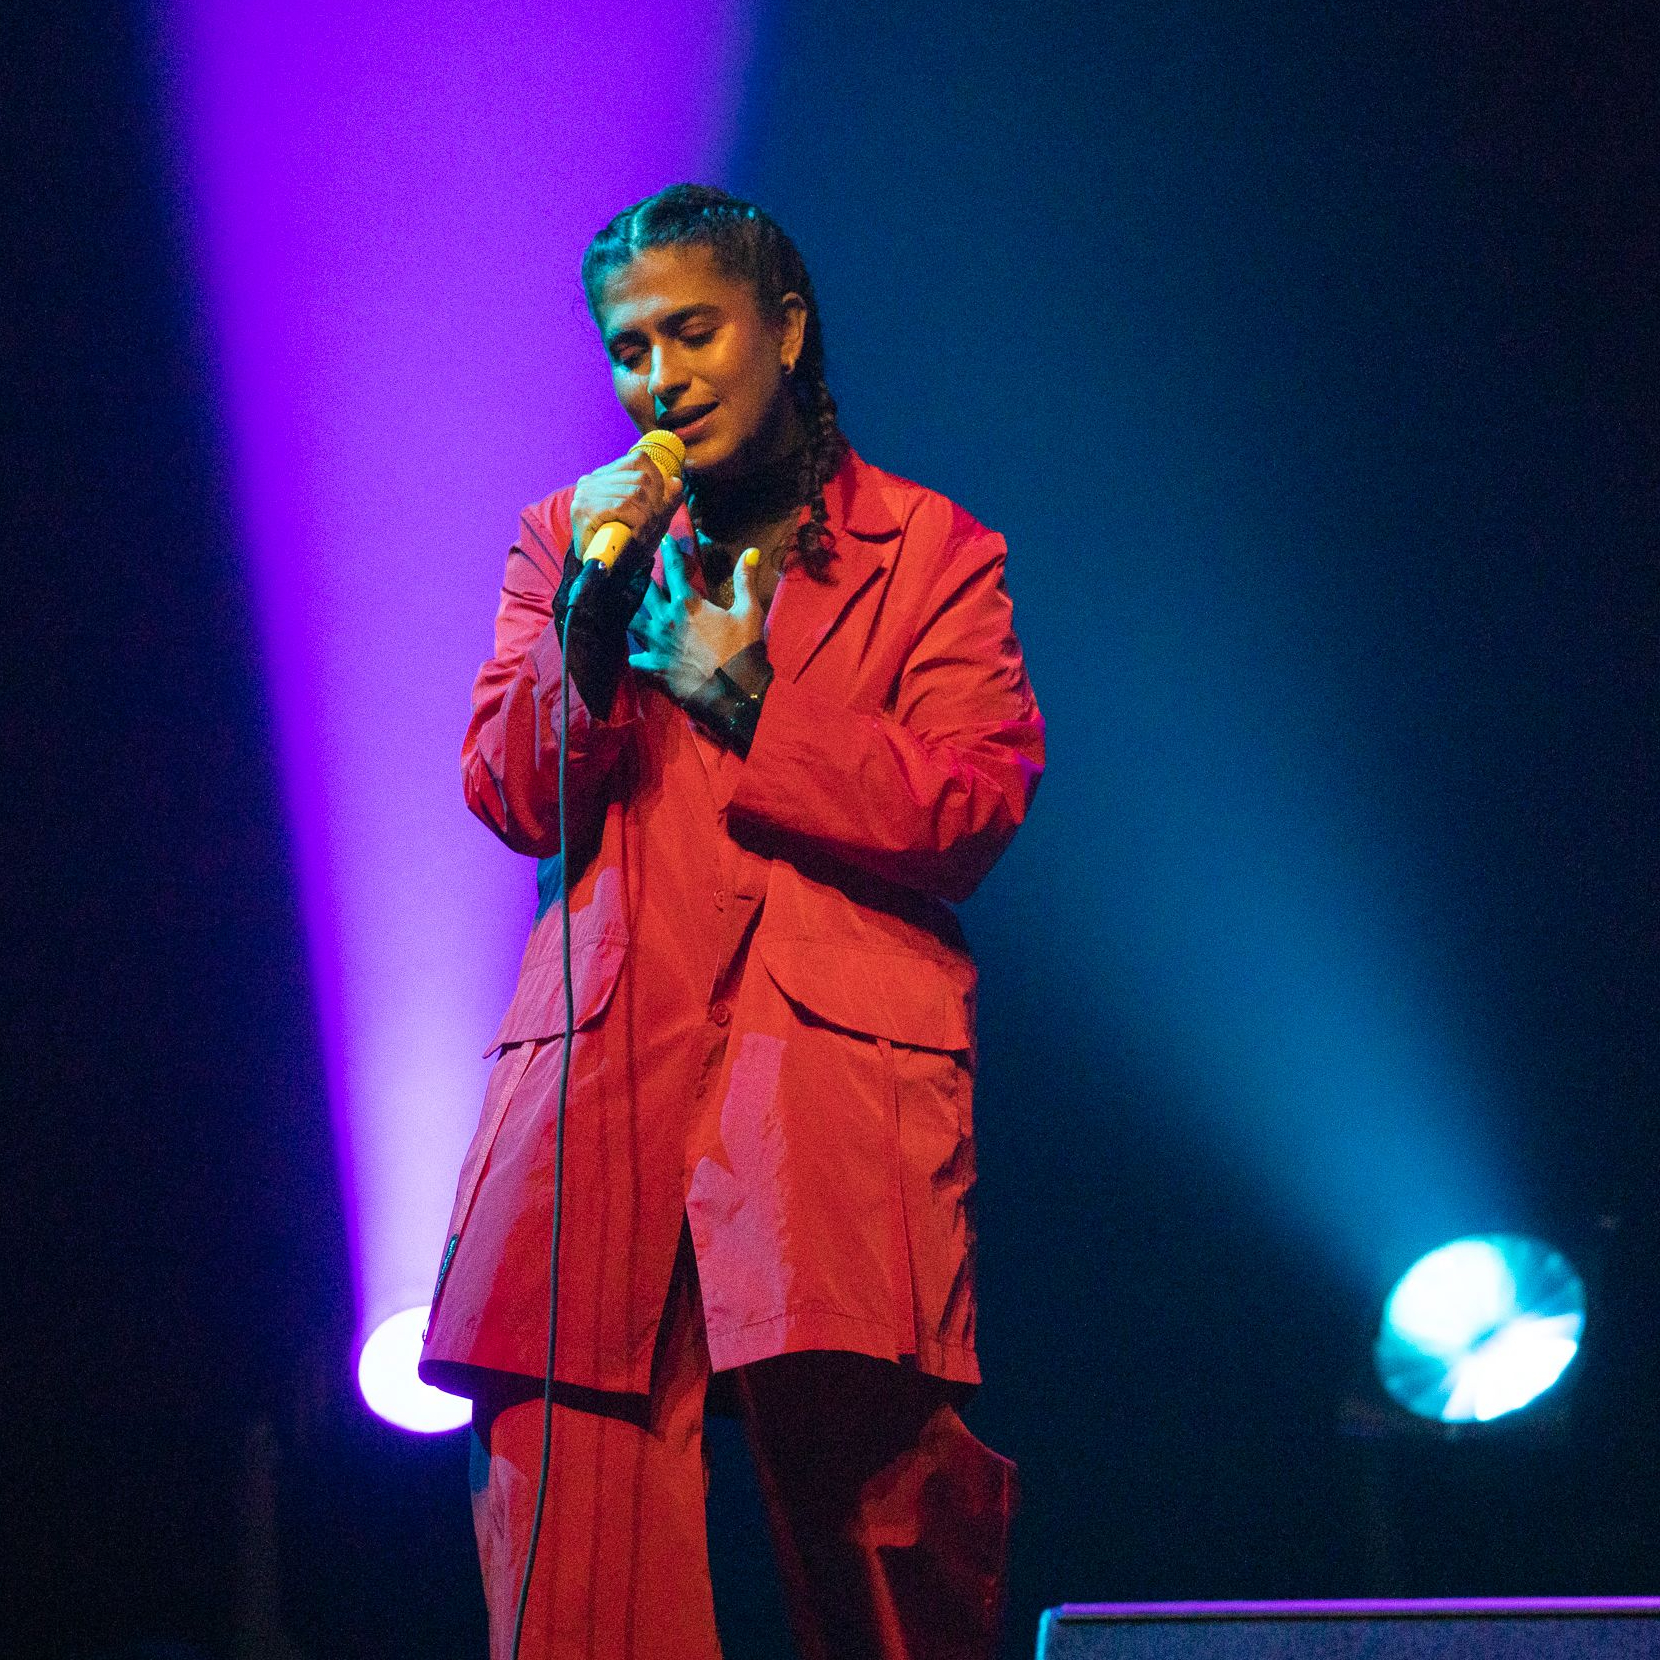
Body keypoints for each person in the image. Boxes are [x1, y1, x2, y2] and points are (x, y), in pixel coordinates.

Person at [419, 183, 1044, 1659]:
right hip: (604, 1088)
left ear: (786, 325)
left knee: (886, 1527)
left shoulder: (934, 553)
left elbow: (971, 810)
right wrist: (590, 613)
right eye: (629, 351)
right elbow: (510, 793)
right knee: (570, 1522)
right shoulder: (566, 536)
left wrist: (748, 696)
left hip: (825, 1089)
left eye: (691, 333)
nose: (661, 378)